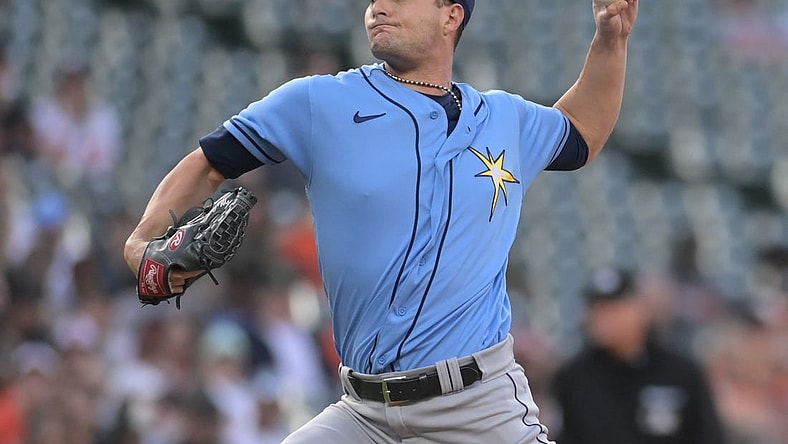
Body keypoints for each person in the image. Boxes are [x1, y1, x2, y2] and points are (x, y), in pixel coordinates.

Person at [124, 0, 639, 442]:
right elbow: (209, 161)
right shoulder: (318, 102)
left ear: (451, 15)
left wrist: (610, 39)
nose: (378, 5)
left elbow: (582, 132)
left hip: (477, 407)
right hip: (364, 412)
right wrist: (142, 243)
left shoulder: (504, 119)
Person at [551, 267, 727, 444]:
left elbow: (708, 436)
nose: (605, 319)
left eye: (615, 309)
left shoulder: (681, 373)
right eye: (598, 310)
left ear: (640, 310)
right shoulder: (572, 377)